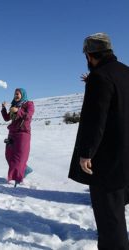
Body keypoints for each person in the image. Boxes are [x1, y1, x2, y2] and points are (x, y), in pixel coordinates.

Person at [69, 33, 129, 249]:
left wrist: (86, 153)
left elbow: (95, 120)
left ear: (89, 54)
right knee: (118, 210)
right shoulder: (125, 72)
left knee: (110, 220)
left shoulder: (99, 77)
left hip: (107, 161)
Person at [1, 88, 34, 187]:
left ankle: (17, 178)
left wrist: (18, 111)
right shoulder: (14, 105)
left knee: (19, 158)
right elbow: (7, 118)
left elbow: (28, 116)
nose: (16, 95)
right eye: (15, 94)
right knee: (9, 155)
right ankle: (25, 169)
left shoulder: (29, 104)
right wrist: (3, 108)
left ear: (22, 94)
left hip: (23, 134)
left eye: (18, 94)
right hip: (12, 133)